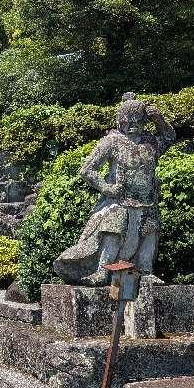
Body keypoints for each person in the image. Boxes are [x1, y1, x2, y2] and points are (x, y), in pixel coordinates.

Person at [53, 92, 175, 286]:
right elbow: (87, 170)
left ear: (144, 121)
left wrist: (159, 119)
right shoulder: (112, 141)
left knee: (149, 233)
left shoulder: (150, 142)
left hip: (147, 199)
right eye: (128, 121)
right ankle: (102, 271)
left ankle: (145, 271)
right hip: (118, 200)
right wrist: (107, 188)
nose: (133, 125)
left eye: (138, 120)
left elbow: (169, 137)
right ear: (121, 121)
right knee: (112, 232)